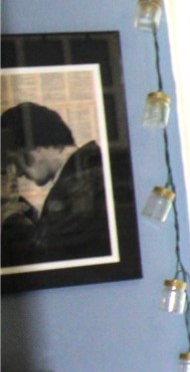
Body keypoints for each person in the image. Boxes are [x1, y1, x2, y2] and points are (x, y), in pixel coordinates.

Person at [1, 101, 112, 268]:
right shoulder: (85, 170)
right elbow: (54, 233)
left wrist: (9, 215)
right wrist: (21, 209)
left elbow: (46, 255)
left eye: (16, 161)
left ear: (33, 148)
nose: (17, 173)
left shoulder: (85, 180)